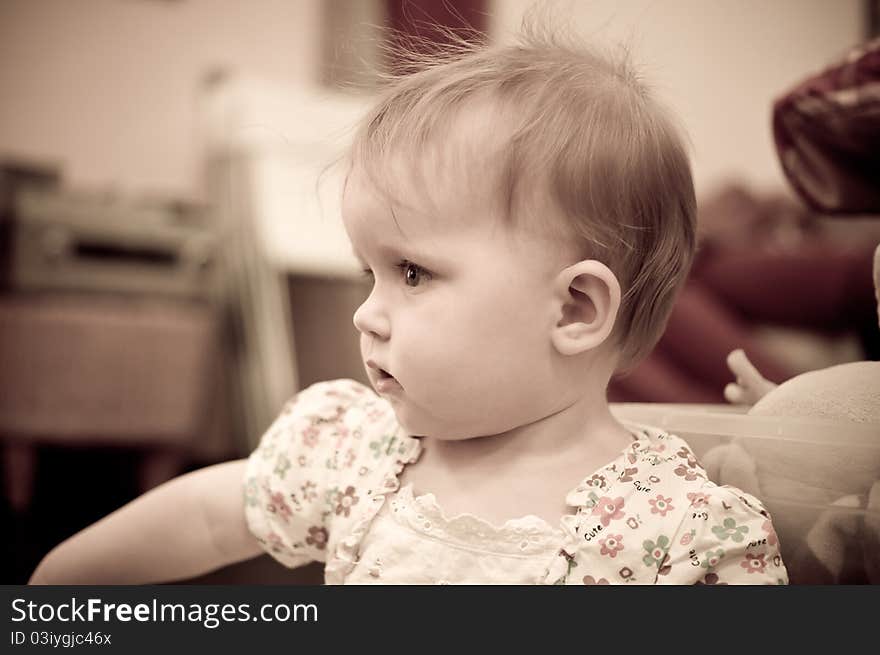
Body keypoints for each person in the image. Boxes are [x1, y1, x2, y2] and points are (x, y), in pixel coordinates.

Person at [29, 23, 787, 585]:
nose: (367, 313)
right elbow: (204, 516)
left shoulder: (681, 538)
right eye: (369, 272)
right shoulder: (353, 454)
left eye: (413, 273)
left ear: (575, 310)